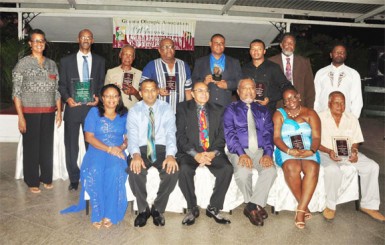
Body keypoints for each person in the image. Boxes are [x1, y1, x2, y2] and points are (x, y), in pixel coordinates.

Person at [61, 84, 128, 229]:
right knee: (95, 170)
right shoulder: (94, 112)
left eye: (115, 96)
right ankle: (98, 212)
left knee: (115, 170)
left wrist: (121, 148)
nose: (111, 99)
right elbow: (89, 137)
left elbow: (128, 138)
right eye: (108, 96)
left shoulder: (124, 114)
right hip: (97, 150)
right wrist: (109, 149)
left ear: (119, 98)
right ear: (102, 98)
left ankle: (110, 213)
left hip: (117, 150)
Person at [318, 91, 385, 222]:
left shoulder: (351, 118)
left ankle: (369, 205)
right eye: (336, 102)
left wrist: (354, 151)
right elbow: (314, 142)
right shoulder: (319, 118)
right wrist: (329, 151)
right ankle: (330, 206)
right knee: (333, 170)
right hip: (325, 152)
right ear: (329, 103)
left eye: (342, 103)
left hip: (346, 153)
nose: (340, 106)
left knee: (372, 166)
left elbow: (356, 140)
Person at [12, 29, 62, 194]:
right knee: (31, 147)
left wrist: (59, 112)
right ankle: (31, 180)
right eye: (36, 41)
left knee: (46, 147)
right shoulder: (23, 64)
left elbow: (56, 91)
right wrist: (21, 117)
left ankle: (46, 178)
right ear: (30, 44)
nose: (39, 44)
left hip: (48, 111)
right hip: (30, 112)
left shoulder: (52, 64)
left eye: (42, 41)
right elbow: (16, 92)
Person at [176, 82, 233, 226]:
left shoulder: (219, 109)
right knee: (184, 169)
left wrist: (213, 153)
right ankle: (192, 207)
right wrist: (195, 154)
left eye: (206, 90)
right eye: (199, 90)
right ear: (193, 94)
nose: (204, 93)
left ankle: (214, 207)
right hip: (190, 153)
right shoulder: (183, 108)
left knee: (227, 169)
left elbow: (222, 135)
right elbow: (180, 135)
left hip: (212, 151)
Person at [223, 77, 277, 227]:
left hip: (260, 150)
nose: (248, 91)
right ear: (238, 92)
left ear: (256, 91)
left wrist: (267, 153)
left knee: (270, 171)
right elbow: (230, 134)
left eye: (251, 88)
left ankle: (252, 206)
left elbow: (268, 134)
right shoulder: (231, 109)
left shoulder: (263, 110)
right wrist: (242, 154)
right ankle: (255, 205)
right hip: (239, 149)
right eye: (244, 88)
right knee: (243, 172)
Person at [127, 79, 179, 227]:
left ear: (157, 91)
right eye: (145, 90)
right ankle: (143, 209)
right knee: (135, 170)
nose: (149, 93)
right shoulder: (134, 110)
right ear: (141, 93)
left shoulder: (166, 108)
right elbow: (132, 135)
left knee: (172, 171)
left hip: (162, 148)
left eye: (152, 90)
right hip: (142, 148)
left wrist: (170, 155)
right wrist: (135, 155)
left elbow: (170, 133)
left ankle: (158, 208)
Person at [59, 29, 106, 191]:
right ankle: (74, 179)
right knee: (71, 147)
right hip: (73, 108)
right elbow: (62, 85)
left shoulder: (100, 61)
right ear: (78, 39)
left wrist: (99, 98)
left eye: (88, 37)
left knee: (92, 146)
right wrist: (67, 99)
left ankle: (91, 176)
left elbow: (101, 84)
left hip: (92, 110)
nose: (85, 39)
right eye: (82, 37)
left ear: (92, 40)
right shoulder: (66, 61)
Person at [272, 87, 321, 229]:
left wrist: (311, 150)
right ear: (284, 102)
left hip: (308, 149)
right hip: (286, 149)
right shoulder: (279, 114)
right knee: (292, 167)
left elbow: (317, 137)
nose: (290, 101)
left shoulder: (311, 113)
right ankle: (303, 208)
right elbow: (276, 138)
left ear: (298, 97)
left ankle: (300, 210)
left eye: (293, 97)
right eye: (287, 99)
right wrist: (289, 150)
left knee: (312, 167)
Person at [140, 38, 192, 113]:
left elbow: (188, 90)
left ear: (175, 49)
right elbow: (142, 86)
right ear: (159, 50)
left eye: (171, 47)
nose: (168, 49)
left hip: (180, 112)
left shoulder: (184, 65)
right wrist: (157, 90)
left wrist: (189, 110)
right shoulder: (151, 65)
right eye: (165, 47)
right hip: (158, 112)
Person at [192, 33, 242, 106]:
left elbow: (240, 82)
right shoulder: (200, 62)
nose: (219, 45)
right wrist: (204, 82)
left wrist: (227, 85)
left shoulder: (234, 62)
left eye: (221, 43)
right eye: (216, 43)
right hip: (205, 103)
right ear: (210, 44)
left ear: (224, 45)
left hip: (225, 105)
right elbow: (193, 81)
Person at [314, 44, 363, 118]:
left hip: (345, 116)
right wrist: (315, 116)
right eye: (336, 52)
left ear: (346, 56)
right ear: (331, 55)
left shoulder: (353, 74)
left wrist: (354, 119)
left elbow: (357, 99)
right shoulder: (321, 72)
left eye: (342, 52)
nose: (339, 54)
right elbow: (315, 96)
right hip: (323, 115)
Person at [242, 39, 292, 112]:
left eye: (259, 49)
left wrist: (270, 98)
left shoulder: (273, 67)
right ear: (250, 51)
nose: (256, 52)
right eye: (253, 49)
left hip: (268, 110)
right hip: (248, 109)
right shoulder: (244, 68)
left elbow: (286, 86)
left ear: (264, 51)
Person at [269, 33, 315, 109]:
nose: (289, 45)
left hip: (299, 105)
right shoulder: (271, 61)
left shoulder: (304, 62)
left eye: (292, 43)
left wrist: (309, 108)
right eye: (286, 43)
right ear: (281, 45)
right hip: (278, 105)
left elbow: (309, 88)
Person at [105, 44, 142, 109]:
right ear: (120, 55)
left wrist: (135, 92)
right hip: (115, 111)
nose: (128, 57)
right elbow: (104, 94)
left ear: (133, 58)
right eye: (125, 54)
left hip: (133, 111)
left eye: (130, 55)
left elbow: (143, 98)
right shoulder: (110, 72)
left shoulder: (140, 74)